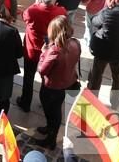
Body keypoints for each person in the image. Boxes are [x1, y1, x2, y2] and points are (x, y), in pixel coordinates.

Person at [17, 0, 67, 112]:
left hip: (32, 51)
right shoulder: (61, 11)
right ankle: (45, 102)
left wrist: (36, 2)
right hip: (50, 52)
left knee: (28, 77)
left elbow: (24, 16)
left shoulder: (33, 11)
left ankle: (25, 102)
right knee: (47, 78)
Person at [35, 16, 81, 150]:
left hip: (51, 87)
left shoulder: (54, 50)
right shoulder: (75, 43)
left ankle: (51, 140)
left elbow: (42, 70)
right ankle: (49, 129)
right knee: (56, 110)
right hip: (66, 83)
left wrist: (43, 53)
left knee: (52, 112)